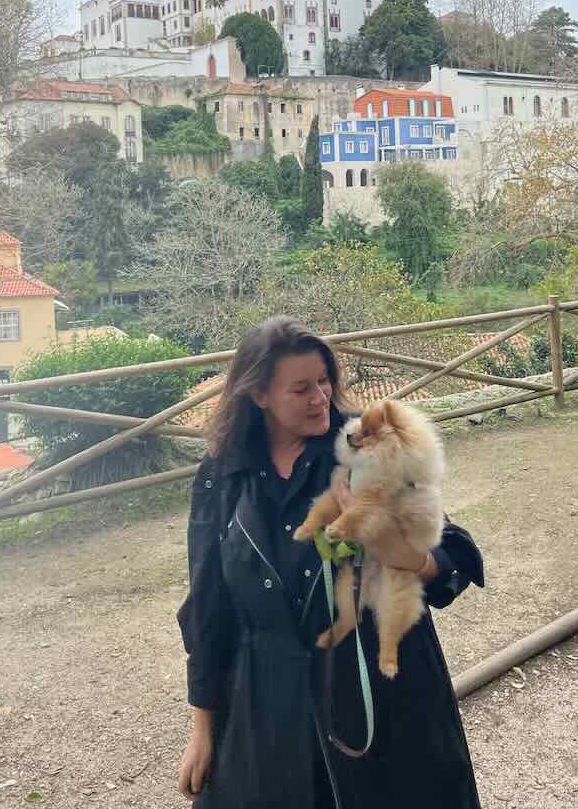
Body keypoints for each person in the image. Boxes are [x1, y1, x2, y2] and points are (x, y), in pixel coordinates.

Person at [177, 316, 485, 809]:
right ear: (259, 395)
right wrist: (203, 728)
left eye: (324, 381)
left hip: (381, 693)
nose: (320, 397)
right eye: (300, 388)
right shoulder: (222, 474)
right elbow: (208, 607)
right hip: (265, 699)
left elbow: (455, 558)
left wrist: (397, 551)